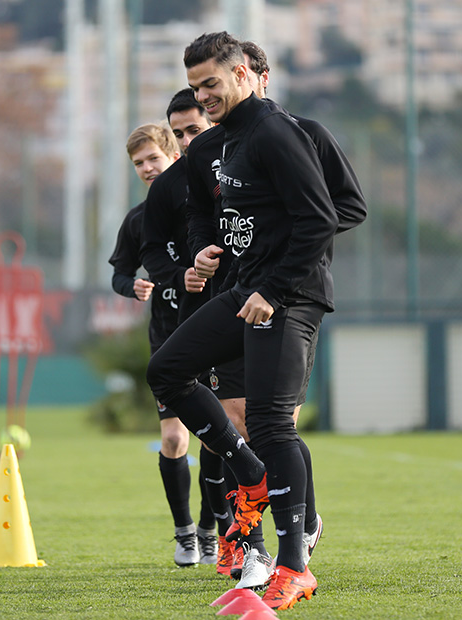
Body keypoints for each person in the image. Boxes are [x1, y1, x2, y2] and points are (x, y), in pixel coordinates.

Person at [147, 32, 343, 610]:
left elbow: (322, 219)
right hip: (244, 290)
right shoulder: (225, 139)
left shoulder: (276, 132)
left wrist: (274, 290)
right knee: (167, 371)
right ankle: (249, 474)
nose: (203, 96)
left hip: (289, 297)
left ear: (242, 74)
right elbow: (211, 215)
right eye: (196, 87)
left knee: (271, 422)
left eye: (211, 83)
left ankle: (294, 567)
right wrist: (207, 250)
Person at [141, 88, 249, 580]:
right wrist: (179, 273)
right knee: (214, 428)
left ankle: (241, 531)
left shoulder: (246, 166)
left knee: (251, 428)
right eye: (179, 133)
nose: (187, 140)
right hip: (199, 318)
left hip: (254, 306)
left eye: (194, 130)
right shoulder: (170, 186)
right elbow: (150, 250)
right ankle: (219, 535)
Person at [108, 122, 215, 567]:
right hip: (168, 341)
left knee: (216, 440)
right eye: (139, 163)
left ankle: (211, 531)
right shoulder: (139, 219)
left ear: (174, 154)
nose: (147, 168)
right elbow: (119, 272)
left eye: (153, 158)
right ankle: (184, 533)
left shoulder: (206, 206)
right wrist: (130, 285)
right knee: (173, 438)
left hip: (211, 339)